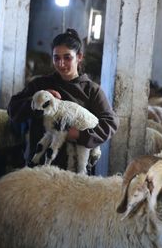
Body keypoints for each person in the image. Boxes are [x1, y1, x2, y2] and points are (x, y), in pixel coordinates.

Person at [8, 28, 118, 172]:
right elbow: (13, 109)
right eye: (56, 58)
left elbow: (110, 123)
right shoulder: (40, 85)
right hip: (40, 166)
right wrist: (37, 101)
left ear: (79, 57)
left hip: (74, 171)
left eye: (67, 57)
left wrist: (79, 134)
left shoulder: (91, 90)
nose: (61, 63)